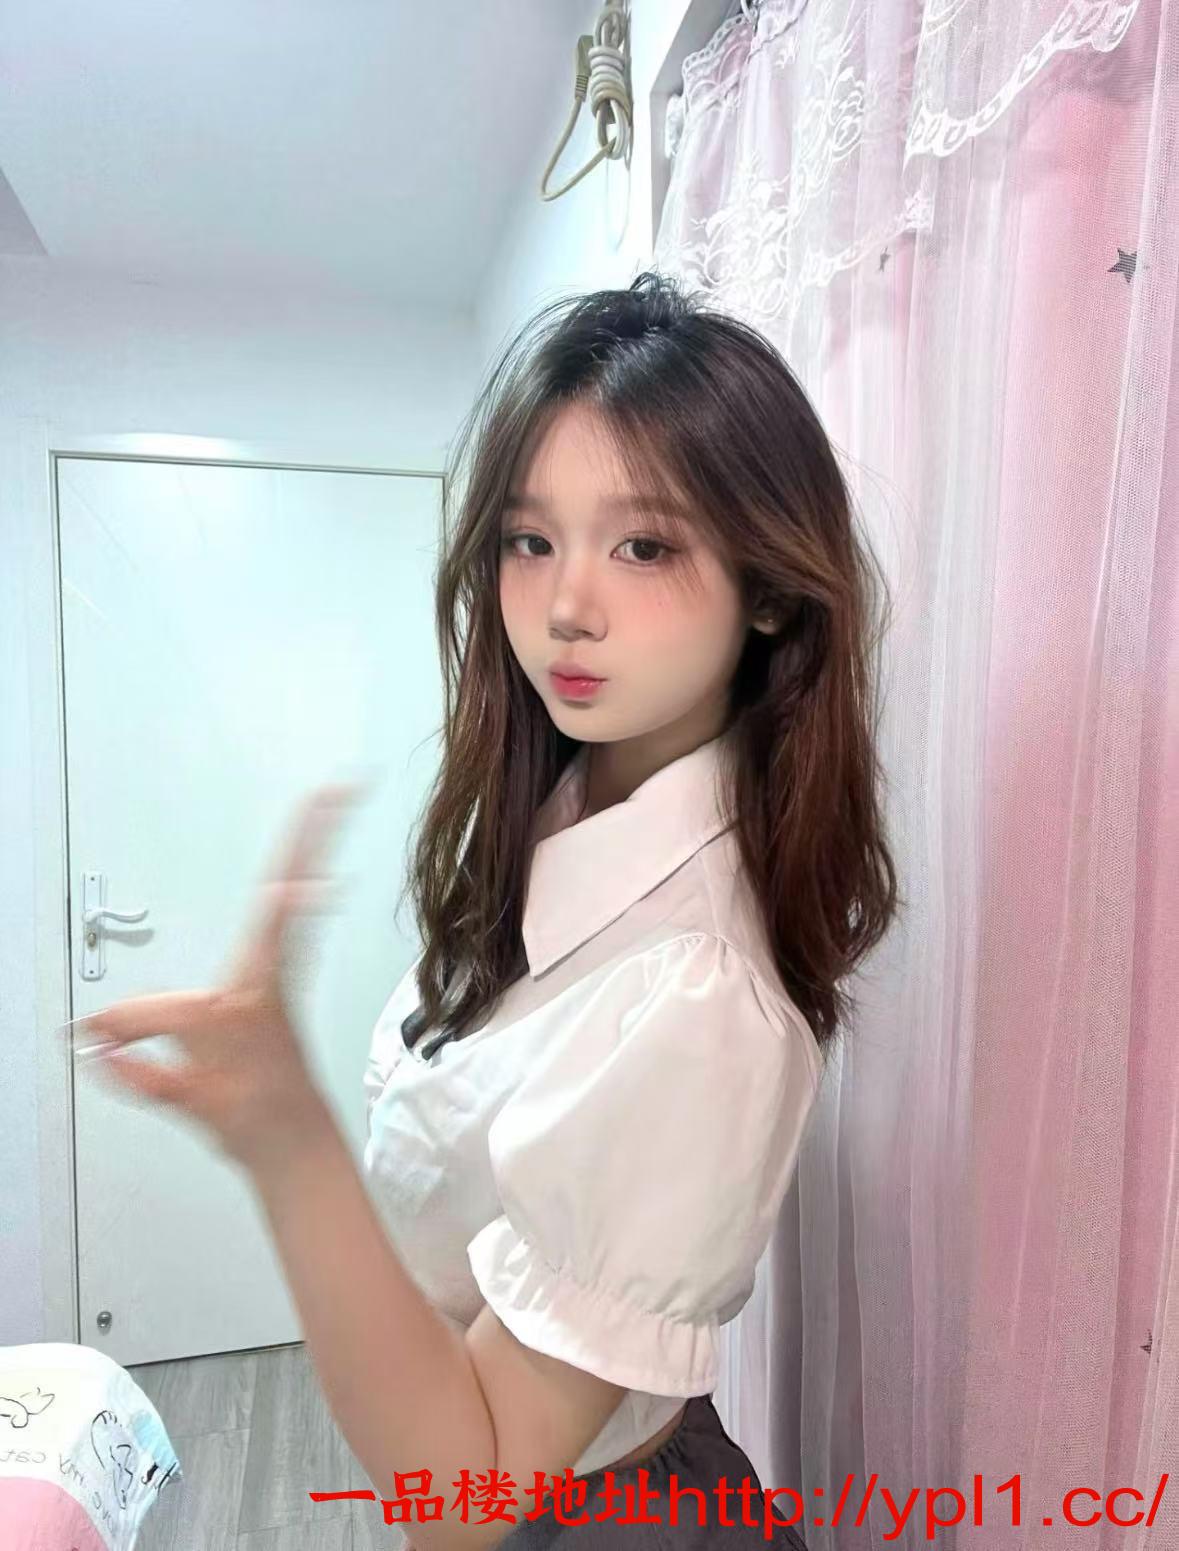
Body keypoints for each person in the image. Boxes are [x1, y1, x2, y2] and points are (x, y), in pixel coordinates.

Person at [362, 270, 900, 1547]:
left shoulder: (700, 991)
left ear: (769, 591)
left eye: (644, 546)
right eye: (529, 540)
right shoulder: (545, 816)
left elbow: (475, 1496)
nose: (565, 607)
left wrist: (279, 1144)